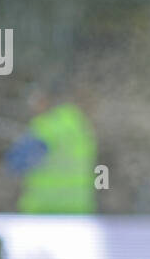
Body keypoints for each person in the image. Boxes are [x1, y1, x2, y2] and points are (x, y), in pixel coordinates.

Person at [7, 82, 98, 214]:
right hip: (78, 210)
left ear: (46, 100)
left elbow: (16, 163)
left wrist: (21, 142)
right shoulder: (78, 123)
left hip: (45, 211)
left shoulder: (46, 127)